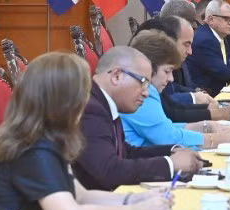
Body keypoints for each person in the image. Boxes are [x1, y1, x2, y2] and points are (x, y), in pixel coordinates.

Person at [0, 53, 170, 210]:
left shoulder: (48, 139)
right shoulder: (32, 147)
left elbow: (81, 196)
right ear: (64, 101)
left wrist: (135, 199)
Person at [73, 47, 202, 191]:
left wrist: (172, 150)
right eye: (143, 83)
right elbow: (109, 170)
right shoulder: (90, 108)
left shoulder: (101, 101)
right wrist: (170, 164)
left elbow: (125, 153)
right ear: (117, 76)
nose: (146, 93)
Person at [121, 30, 230, 149]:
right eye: (167, 71)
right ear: (148, 67)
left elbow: (166, 128)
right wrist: (218, 139)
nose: (171, 79)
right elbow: (167, 137)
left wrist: (206, 126)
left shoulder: (147, 89)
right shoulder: (139, 93)